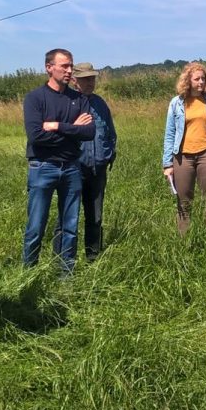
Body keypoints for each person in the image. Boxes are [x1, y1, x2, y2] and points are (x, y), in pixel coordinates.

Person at [22, 49, 94, 274]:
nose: (69, 71)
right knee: (36, 225)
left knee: (70, 225)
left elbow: (89, 132)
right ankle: (29, 274)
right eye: (64, 66)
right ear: (49, 67)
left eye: (70, 66)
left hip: (71, 167)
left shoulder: (78, 99)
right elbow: (36, 136)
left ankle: (66, 275)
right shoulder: (35, 98)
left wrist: (57, 126)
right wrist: (74, 130)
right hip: (43, 166)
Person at [162, 62, 206, 234]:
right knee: (183, 200)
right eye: (197, 79)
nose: (201, 82)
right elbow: (170, 133)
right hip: (183, 157)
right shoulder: (177, 103)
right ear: (188, 80)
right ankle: (184, 240)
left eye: (203, 78)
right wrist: (167, 164)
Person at [69, 62, 116, 262]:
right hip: (74, 169)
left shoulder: (100, 103)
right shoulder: (67, 102)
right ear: (74, 80)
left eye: (92, 78)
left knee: (95, 217)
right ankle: (65, 260)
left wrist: (109, 155)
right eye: (85, 79)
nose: (90, 82)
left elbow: (110, 132)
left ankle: (92, 258)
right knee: (69, 218)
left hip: (98, 168)